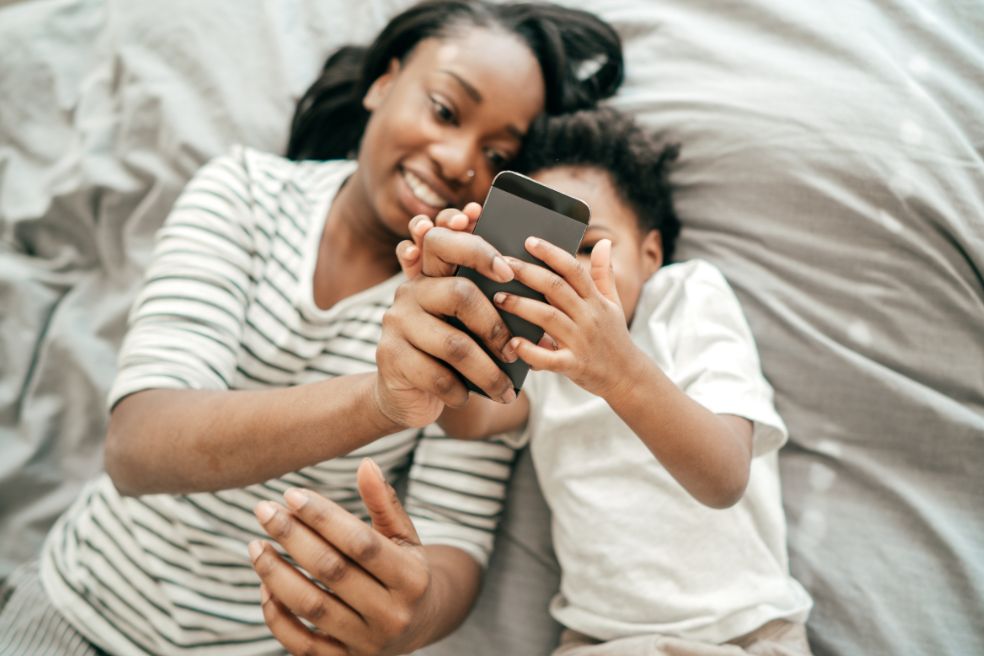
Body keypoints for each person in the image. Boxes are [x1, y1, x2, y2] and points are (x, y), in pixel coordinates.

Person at [0, 2, 623, 655]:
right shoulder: (244, 193)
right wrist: (382, 401)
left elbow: (452, 542)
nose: (457, 158)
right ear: (385, 82)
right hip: (75, 607)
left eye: (497, 152)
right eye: (444, 110)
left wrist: (413, 614)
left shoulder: (474, 313)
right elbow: (136, 446)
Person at [253, 108, 814, 655]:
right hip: (599, 640)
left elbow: (724, 479)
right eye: (544, 263)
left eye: (589, 249)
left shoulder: (687, 297)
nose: (565, 277)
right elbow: (471, 420)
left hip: (744, 633)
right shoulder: (537, 356)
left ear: (651, 254)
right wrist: (447, 337)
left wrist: (617, 369)